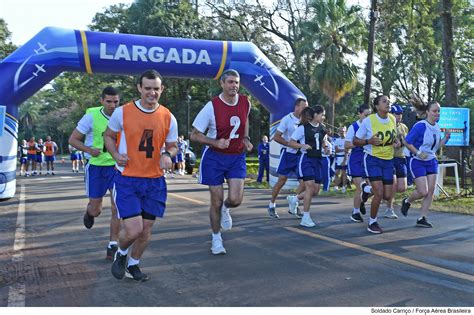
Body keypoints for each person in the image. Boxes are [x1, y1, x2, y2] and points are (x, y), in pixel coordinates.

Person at [104, 70, 178, 282]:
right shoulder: (123, 112)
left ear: (162, 89)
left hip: (155, 181)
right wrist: (116, 154)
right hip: (127, 178)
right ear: (139, 88)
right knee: (134, 229)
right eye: (147, 88)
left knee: (145, 231)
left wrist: (167, 154)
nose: (152, 93)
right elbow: (108, 136)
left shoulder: (168, 116)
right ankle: (121, 253)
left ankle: (133, 265)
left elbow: (173, 146)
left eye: (156, 88)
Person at [190, 69, 253, 255]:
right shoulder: (212, 106)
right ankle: (216, 239)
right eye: (230, 82)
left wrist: (246, 138)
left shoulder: (245, 102)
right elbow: (194, 134)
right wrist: (215, 141)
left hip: (236, 156)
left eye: (236, 82)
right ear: (222, 84)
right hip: (214, 158)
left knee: (235, 199)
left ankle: (227, 208)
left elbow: (245, 119)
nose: (234, 85)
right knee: (215, 200)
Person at [68, 86, 122, 260]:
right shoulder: (91, 116)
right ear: (101, 101)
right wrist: (89, 150)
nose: (113, 105)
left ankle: (112, 245)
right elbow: (73, 139)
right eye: (109, 101)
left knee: (117, 207)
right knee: (96, 209)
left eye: (116, 101)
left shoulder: (123, 116)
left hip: (116, 168)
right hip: (96, 168)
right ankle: (90, 212)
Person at [353, 95, 400, 234]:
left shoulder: (392, 118)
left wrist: (396, 142)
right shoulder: (369, 121)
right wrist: (369, 141)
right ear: (377, 106)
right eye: (384, 101)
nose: (388, 103)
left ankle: (366, 191)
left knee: (387, 195)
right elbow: (356, 141)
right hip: (373, 159)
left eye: (389, 101)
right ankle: (372, 222)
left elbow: (393, 136)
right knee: (379, 193)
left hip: (388, 160)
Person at [400, 99, 450, 227]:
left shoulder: (437, 127)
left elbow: (436, 146)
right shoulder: (421, 126)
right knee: (423, 191)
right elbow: (406, 142)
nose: (437, 113)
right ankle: (407, 201)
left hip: (431, 161)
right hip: (417, 161)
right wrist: (417, 152)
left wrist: (445, 138)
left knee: (431, 191)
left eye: (438, 111)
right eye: (434, 111)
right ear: (427, 112)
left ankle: (422, 217)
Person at [288, 105, 328, 227]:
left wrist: (326, 147)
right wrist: (302, 146)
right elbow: (291, 142)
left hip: (318, 160)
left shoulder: (322, 128)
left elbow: (323, 141)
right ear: (315, 115)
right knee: (310, 188)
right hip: (306, 160)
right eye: (322, 114)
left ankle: (294, 199)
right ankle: (306, 217)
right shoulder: (303, 128)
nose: (324, 117)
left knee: (315, 191)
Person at [268, 98, 308, 218]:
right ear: (296, 107)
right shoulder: (287, 119)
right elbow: (276, 137)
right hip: (288, 154)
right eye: (303, 107)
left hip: (300, 155)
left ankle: (294, 204)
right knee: (282, 181)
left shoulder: (306, 120)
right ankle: (272, 204)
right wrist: (289, 144)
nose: (306, 109)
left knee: (304, 182)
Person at [344, 104, 373, 223]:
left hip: (369, 159)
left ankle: (362, 201)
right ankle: (355, 212)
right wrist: (363, 142)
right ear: (359, 114)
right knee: (360, 188)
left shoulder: (372, 126)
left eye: (369, 115)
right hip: (356, 159)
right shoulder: (353, 127)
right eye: (365, 115)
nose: (367, 118)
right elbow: (347, 145)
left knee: (373, 189)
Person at [384, 104, 409, 219]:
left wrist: (401, 143)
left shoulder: (404, 127)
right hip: (389, 158)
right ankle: (389, 208)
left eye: (400, 113)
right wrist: (391, 144)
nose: (399, 116)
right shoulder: (387, 126)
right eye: (397, 114)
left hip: (401, 158)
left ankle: (376, 191)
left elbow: (407, 141)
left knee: (402, 188)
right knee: (393, 185)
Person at [333, 127, 348, 193]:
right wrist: (343, 150)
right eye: (340, 131)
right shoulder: (337, 140)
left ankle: (344, 187)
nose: (342, 132)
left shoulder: (347, 140)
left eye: (343, 131)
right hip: (338, 158)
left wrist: (344, 160)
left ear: (345, 132)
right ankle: (336, 186)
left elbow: (347, 151)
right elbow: (336, 150)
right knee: (336, 173)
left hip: (345, 157)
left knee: (344, 173)